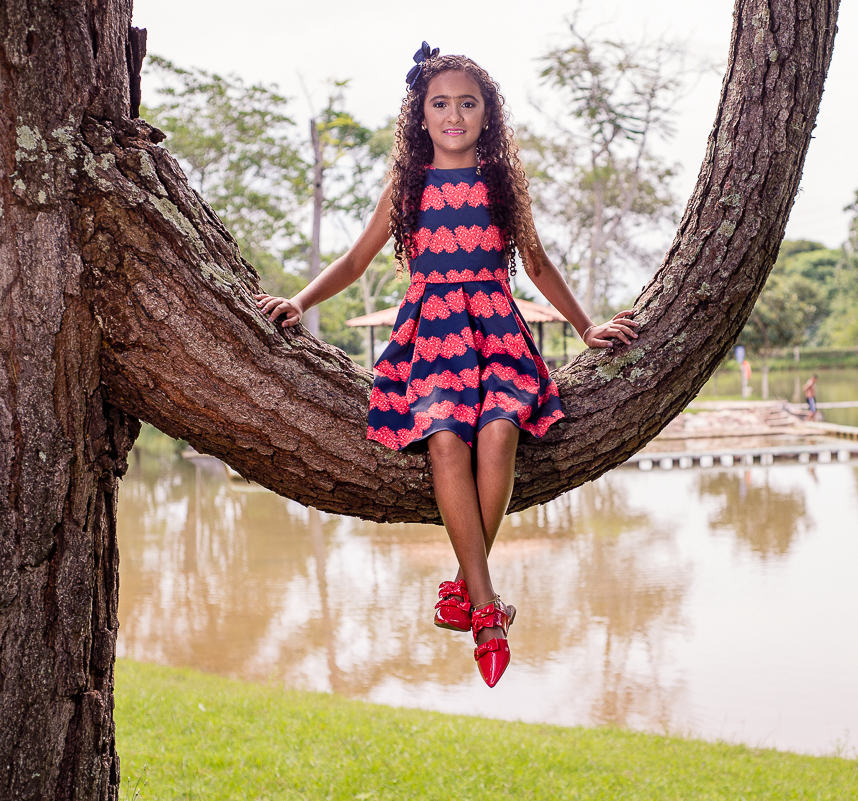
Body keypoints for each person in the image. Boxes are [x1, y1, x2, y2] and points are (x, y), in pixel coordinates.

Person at [254, 44, 639, 687]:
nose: (454, 114)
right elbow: (352, 264)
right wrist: (297, 300)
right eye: (440, 104)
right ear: (420, 115)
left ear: (488, 114)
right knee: (443, 437)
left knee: (499, 431)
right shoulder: (405, 190)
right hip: (431, 336)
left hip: (497, 330)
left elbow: (537, 267)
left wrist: (585, 325)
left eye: (468, 102)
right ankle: (488, 610)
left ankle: (468, 591)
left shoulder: (500, 187)